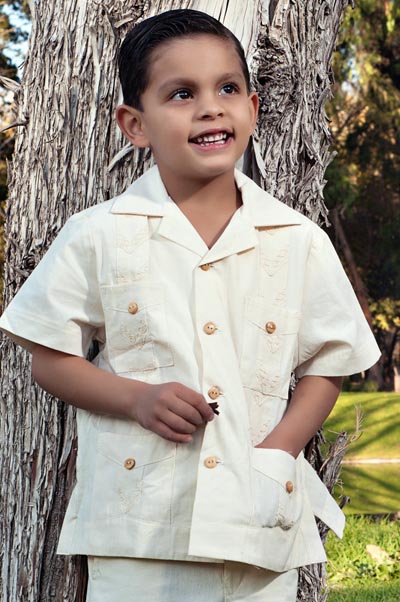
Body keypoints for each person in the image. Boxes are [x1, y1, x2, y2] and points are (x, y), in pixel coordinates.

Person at [0, 9, 380, 602]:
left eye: (227, 88)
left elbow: (330, 361)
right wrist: (137, 398)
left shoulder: (298, 239)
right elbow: (49, 358)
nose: (210, 107)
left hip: (257, 530)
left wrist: (277, 452)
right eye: (181, 94)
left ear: (253, 108)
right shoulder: (98, 233)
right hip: (139, 532)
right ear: (135, 124)